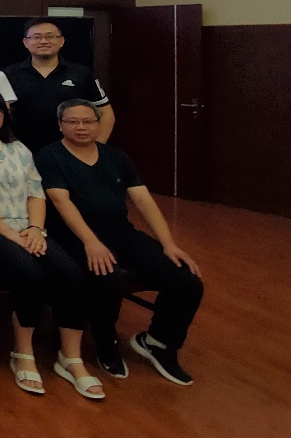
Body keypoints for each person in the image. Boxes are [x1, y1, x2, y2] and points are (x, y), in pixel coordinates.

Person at [0, 88, 102, 399]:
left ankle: (70, 358)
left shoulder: (19, 149)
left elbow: (36, 193)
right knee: (30, 274)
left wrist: (35, 229)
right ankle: (23, 353)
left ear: (5, 115)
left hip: (27, 228)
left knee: (71, 274)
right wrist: (10, 234)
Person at [39, 99, 203, 385]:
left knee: (186, 278)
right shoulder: (49, 156)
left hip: (120, 232)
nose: (81, 127)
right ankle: (106, 343)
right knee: (107, 275)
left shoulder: (116, 157)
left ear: (98, 124)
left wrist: (168, 243)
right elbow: (60, 201)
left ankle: (158, 342)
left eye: (88, 121)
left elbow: (143, 200)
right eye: (72, 121)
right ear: (60, 125)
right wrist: (90, 241)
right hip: (73, 236)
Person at [6, 18, 115, 152]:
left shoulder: (81, 73)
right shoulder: (9, 74)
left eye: (50, 36)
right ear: (25, 42)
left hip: (72, 152)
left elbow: (105, 113)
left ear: (62, 41)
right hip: (23, 152)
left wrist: (96, 148)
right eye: (36, 37)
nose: (44, 41)